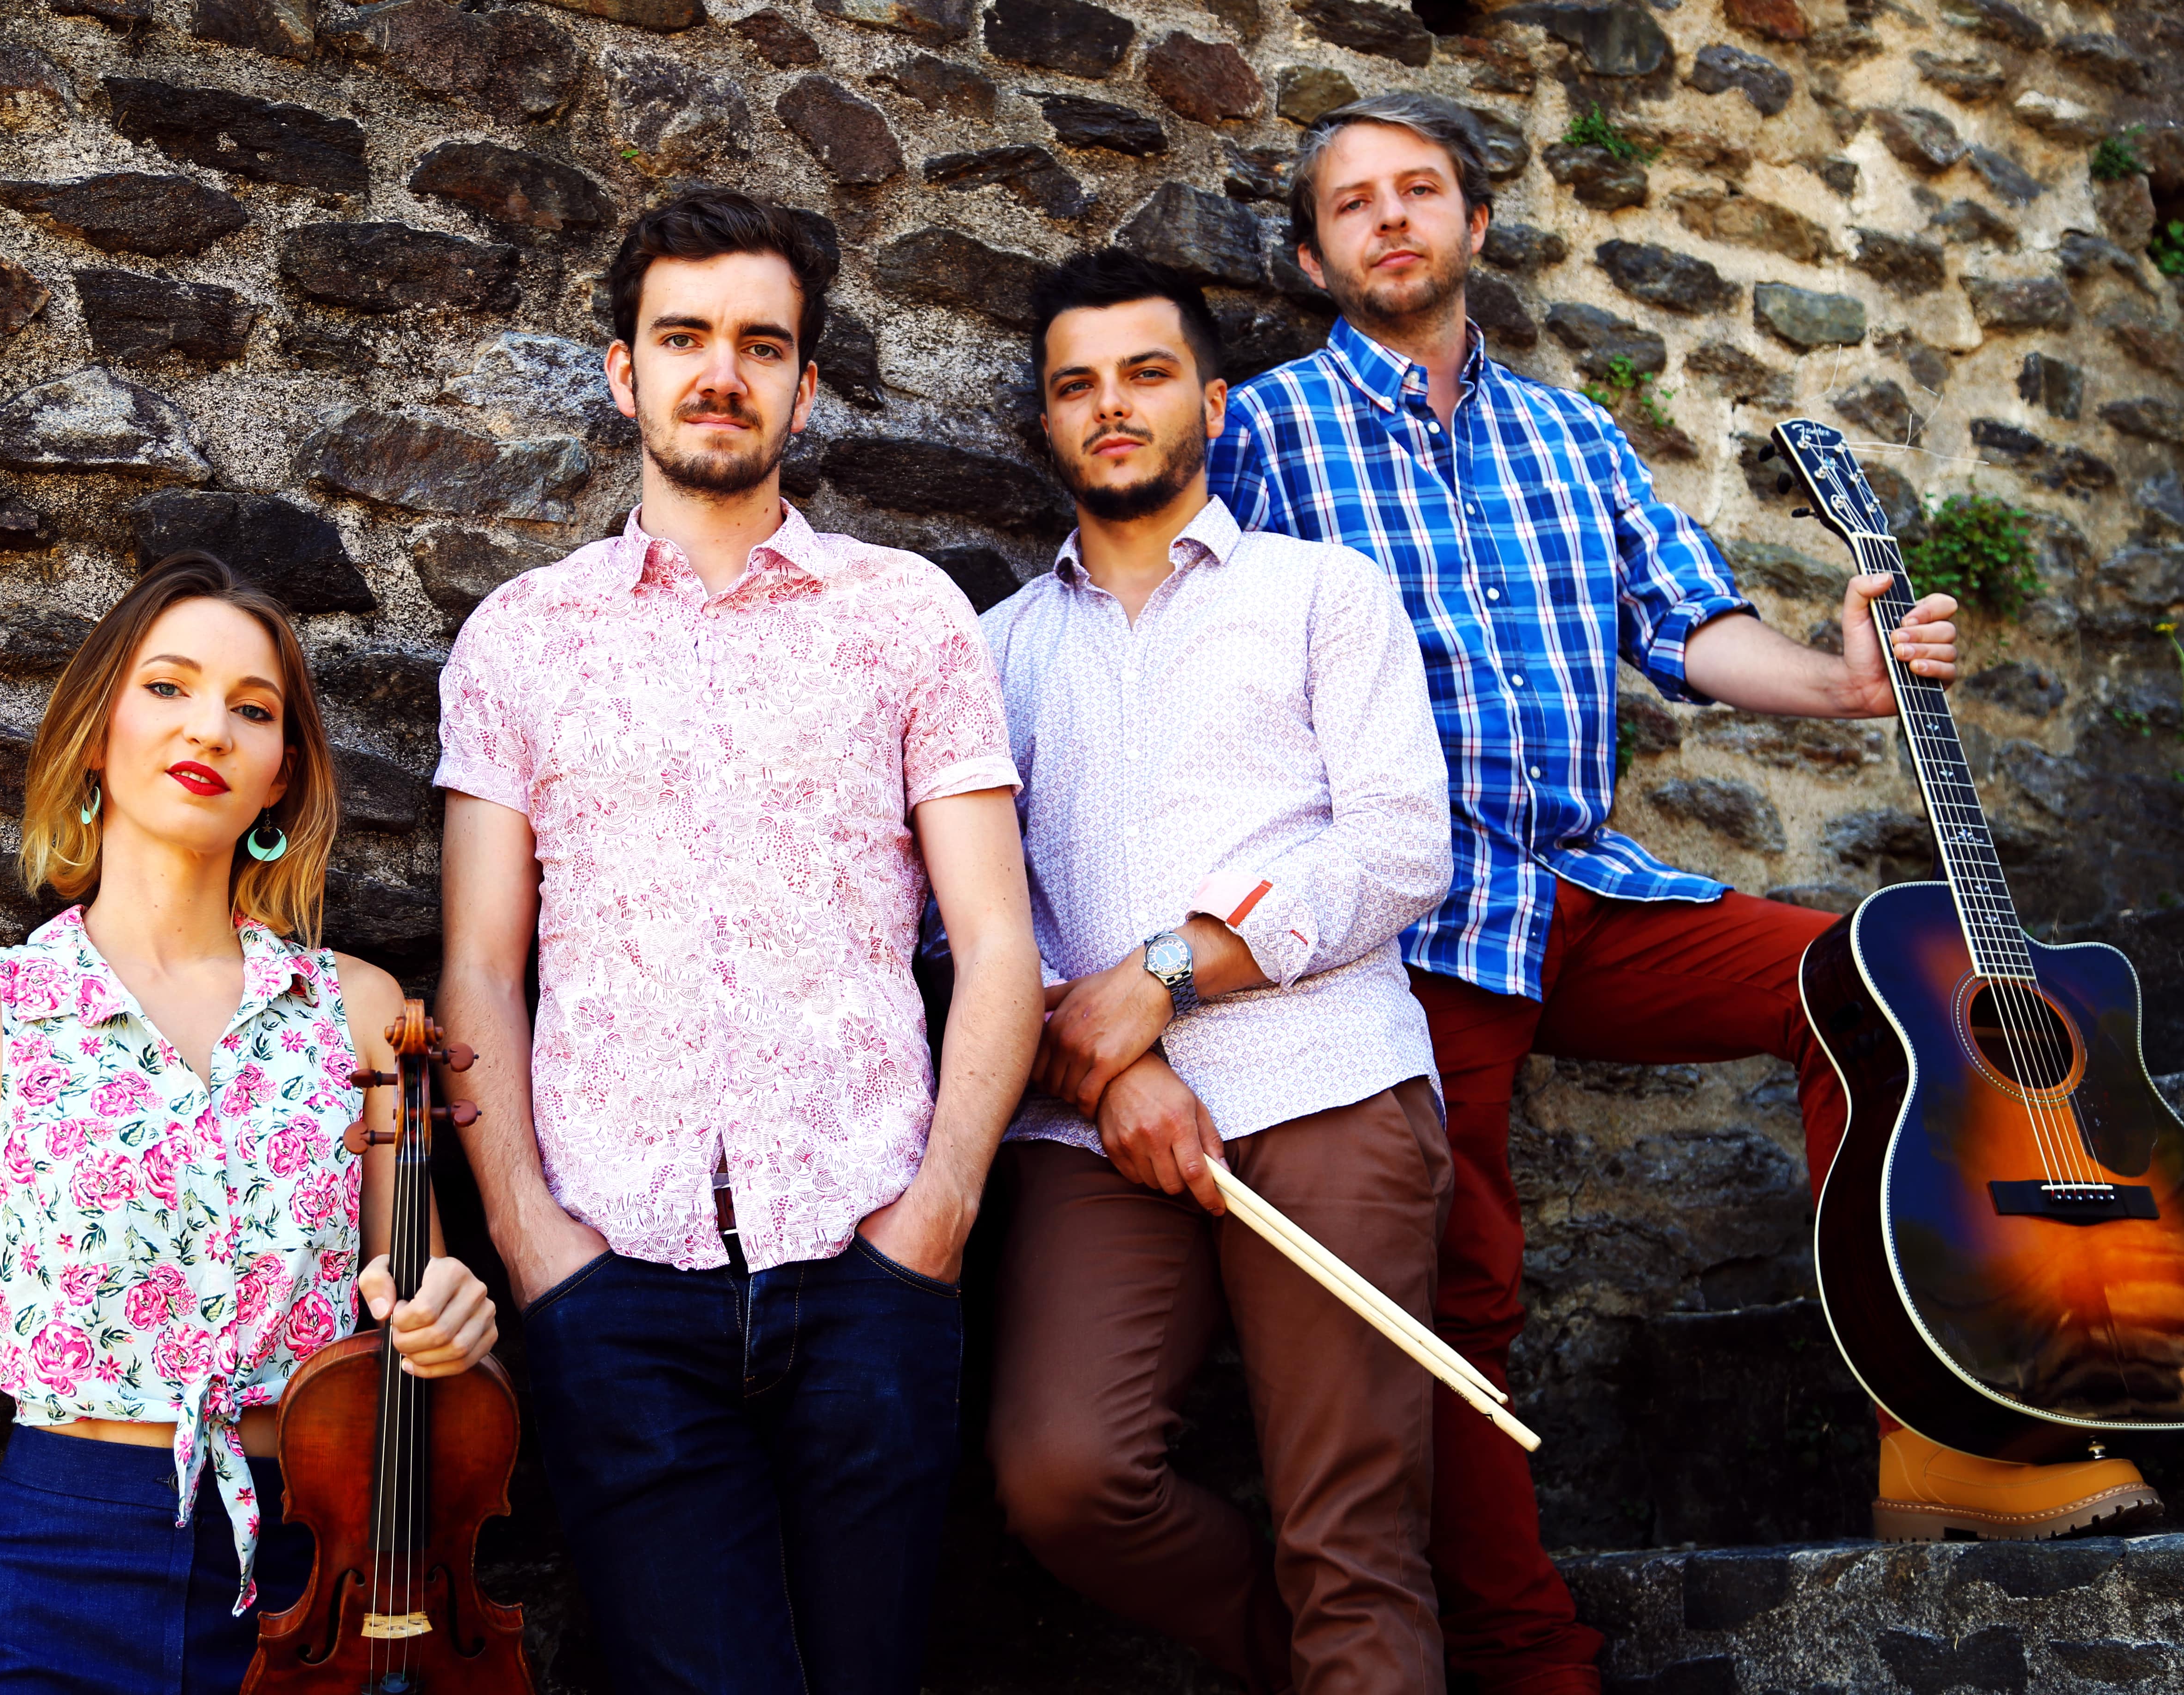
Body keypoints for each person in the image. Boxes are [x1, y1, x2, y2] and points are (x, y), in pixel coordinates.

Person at [1210, 91, 2158, 1695]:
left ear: (1474, 226)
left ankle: (1954, 1440)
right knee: (1463, 1284)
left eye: (1419, 189)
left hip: (1590, 886)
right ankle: (1530, 1656)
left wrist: (1846, 686)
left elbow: (1693, 631)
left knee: (1898, 987)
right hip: (1413, 919)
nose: (1389, 217)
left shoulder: (1573, 436)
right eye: (1352, 202)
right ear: (1310, 253)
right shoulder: (1258, 435)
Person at [431, 186, 1040, 1695]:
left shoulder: (908, 619)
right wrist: (532, 1244)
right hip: (613, 1277)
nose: (721, 370)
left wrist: (938, 1218)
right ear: (626, 371)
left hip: (868, 1260)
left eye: (759, 343)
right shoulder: (524, 634)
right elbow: (478, 970)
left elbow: (995, 936)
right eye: (683, 337)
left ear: (804, 383)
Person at [0, 554, 500, 1695]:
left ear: (281, 775)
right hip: (45, 1569)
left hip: (305, 1575)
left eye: (254, 709)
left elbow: (404, 1306)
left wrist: (452, 1318)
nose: (213, 731)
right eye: (169, 688)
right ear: (97, 731)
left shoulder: (363, 1011)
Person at [984, 249, 1458, 1695]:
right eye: (1078, 386)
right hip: (1089, 1129)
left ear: (1213, 398)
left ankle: (1357, 1654)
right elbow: (965, 917)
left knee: (1355, 1535)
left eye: (1145, 374)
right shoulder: (990, 652)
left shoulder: (1328, 594)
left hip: (1328, 1083)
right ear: (1049, 423)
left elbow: (1398, 847)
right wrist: (1116, 1057)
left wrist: (1173, 968)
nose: (1111, 407)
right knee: (1062, 1477)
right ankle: (1315, 1664)